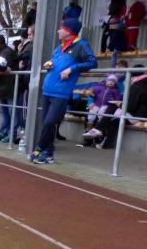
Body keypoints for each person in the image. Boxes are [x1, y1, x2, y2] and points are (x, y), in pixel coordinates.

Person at [28, 18, 97, 164]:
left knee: (50, 122)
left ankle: (39, 148)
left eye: (61, 29)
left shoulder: (81, 45)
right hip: (47, 90)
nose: (58, 31)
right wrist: (50, 65)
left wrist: (72, 68)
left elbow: (92, 62)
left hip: (61, 92)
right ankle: (48, 154)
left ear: (69, 31)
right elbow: (54, 62)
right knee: (47, 123)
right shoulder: (59, 47)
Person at [0, 35, 18, 143]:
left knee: (11, 111)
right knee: (4, 112)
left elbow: (1, 67)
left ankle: (12, 134)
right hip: (2, 87)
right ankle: (4, 132)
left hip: (9, 86)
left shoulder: (6, 52)